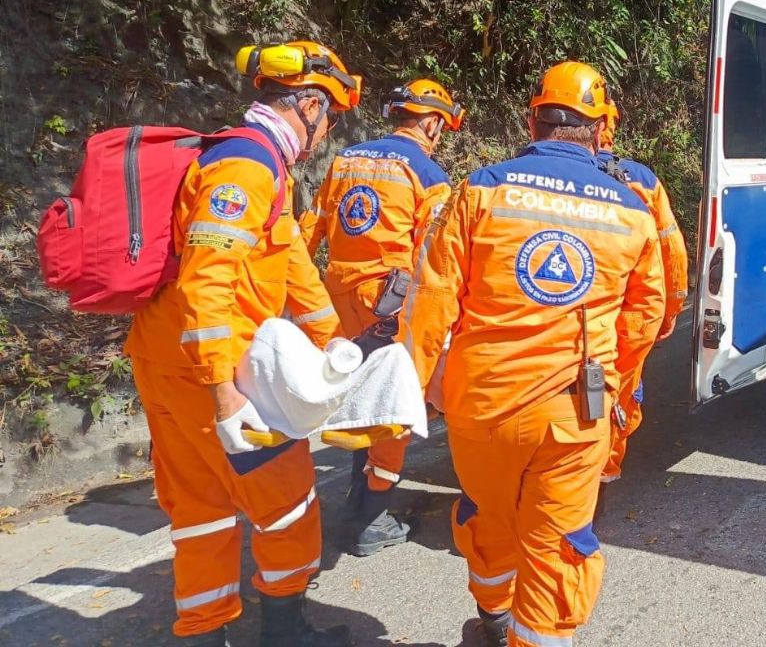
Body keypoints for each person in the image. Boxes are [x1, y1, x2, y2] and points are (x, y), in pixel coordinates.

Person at [395, 61, 665, 647]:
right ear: (600, 130)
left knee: (488, 513)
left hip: (482, 403)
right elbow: (644, 318)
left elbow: (431, 295)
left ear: (533, 120)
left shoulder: (483, 188)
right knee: (559, 539)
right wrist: (618, 390)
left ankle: (492, 619)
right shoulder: (632, 209)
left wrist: (412, 388)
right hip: (576, 414)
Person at [124, 41, 361, 647]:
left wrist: (337, 344)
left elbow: (293, 266)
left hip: (167, 359)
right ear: (308, 104)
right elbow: (209, 279)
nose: (327, 131)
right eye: (329, 115)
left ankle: (204, 632)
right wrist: (224, 391)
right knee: (287, 499)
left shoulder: (254, 161)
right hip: (215, 371)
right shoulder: (248, 168)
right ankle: (284, 630)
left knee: (201, 508)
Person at [299, 78, 461, 557]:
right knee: (391, 408)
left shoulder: (345, 159)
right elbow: (434, 257)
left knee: (355, 399)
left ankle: (355, 501)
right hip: (389, 304)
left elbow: (310, 228)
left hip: (335, 298)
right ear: (432, 121)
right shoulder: (429, 175)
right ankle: (369, 519)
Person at [594, 100, 688, 492]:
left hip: (556, 311)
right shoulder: (639, 180)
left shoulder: (519, 179)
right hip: (627, 315)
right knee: (618, 390)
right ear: (606, 125)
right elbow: (672, 251)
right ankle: (603, 472)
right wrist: (671, 310)